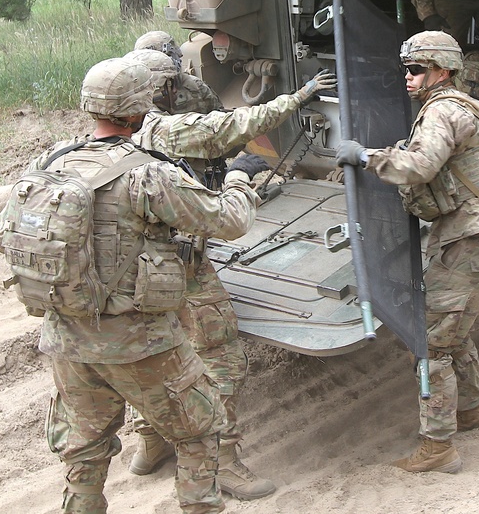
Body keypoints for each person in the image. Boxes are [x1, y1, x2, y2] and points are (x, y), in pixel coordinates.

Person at [0, 56, 263, 514]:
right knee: (200, 430)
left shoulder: (49, 161)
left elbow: (10, 232)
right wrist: (239, 179)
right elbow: (228, 220)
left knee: (84, 448)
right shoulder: (148, 173)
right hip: (138, 341)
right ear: (141, 110)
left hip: (66, 339)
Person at [122, 48, 337, 499]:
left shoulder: (110, 136)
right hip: (178, 264)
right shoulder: (166, 129)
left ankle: (151, 442)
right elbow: (231, 130)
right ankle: (223, 464)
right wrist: (299, 98)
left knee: (151, 355)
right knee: (221, 360)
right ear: (161, 88)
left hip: (131, 271)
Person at [336, 31, 479, 474]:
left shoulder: (441, 113)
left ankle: (438, 447)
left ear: (443, 71)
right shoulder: (464, 107)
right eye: (407, 70)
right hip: (478, 239)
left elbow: (419, 166)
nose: (409, 78)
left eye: (417, 70)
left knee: (430, 343)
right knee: (453, 331)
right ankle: (469, 411)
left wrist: (364, 157)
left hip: (468, 242)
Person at [134, 31, 222, 113]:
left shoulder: (195, 85)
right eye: (171, 54)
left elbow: (219, 115)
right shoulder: (135, 100)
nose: (179, 56)